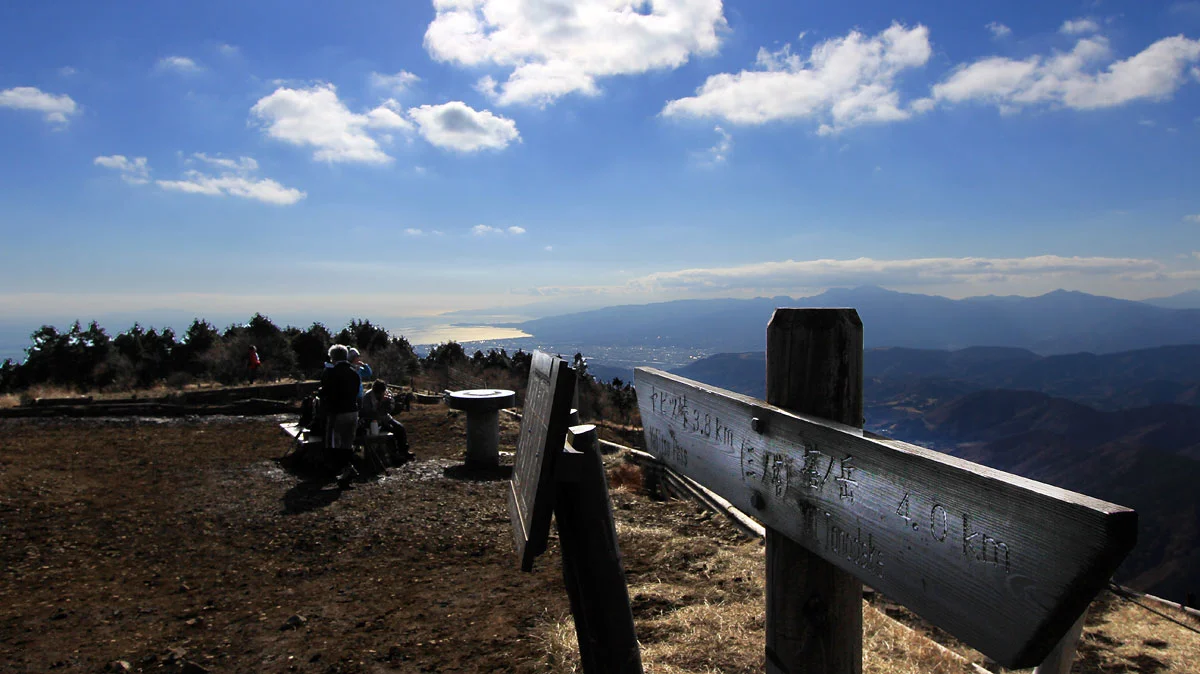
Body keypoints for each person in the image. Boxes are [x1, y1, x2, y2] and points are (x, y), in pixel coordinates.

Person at [319, 344, 362, 488]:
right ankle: (346, 475)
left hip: (337, 412)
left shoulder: (330, 373)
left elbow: (325, 393)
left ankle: (346, 468)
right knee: (347, 443)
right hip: (353, 411)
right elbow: (356, 393)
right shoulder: (354, 373)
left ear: (333, 358)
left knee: (334, 444)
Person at [361, 379, 412, 463]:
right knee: (389, 431)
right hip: (372, 420)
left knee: (400, 428)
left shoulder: (388, 394)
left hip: (385, 417)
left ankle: (404, 451)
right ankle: (393, 454)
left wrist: (387, 404)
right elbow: (368, 412)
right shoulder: (367, 397)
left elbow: (390, 409)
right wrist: (380, 404)